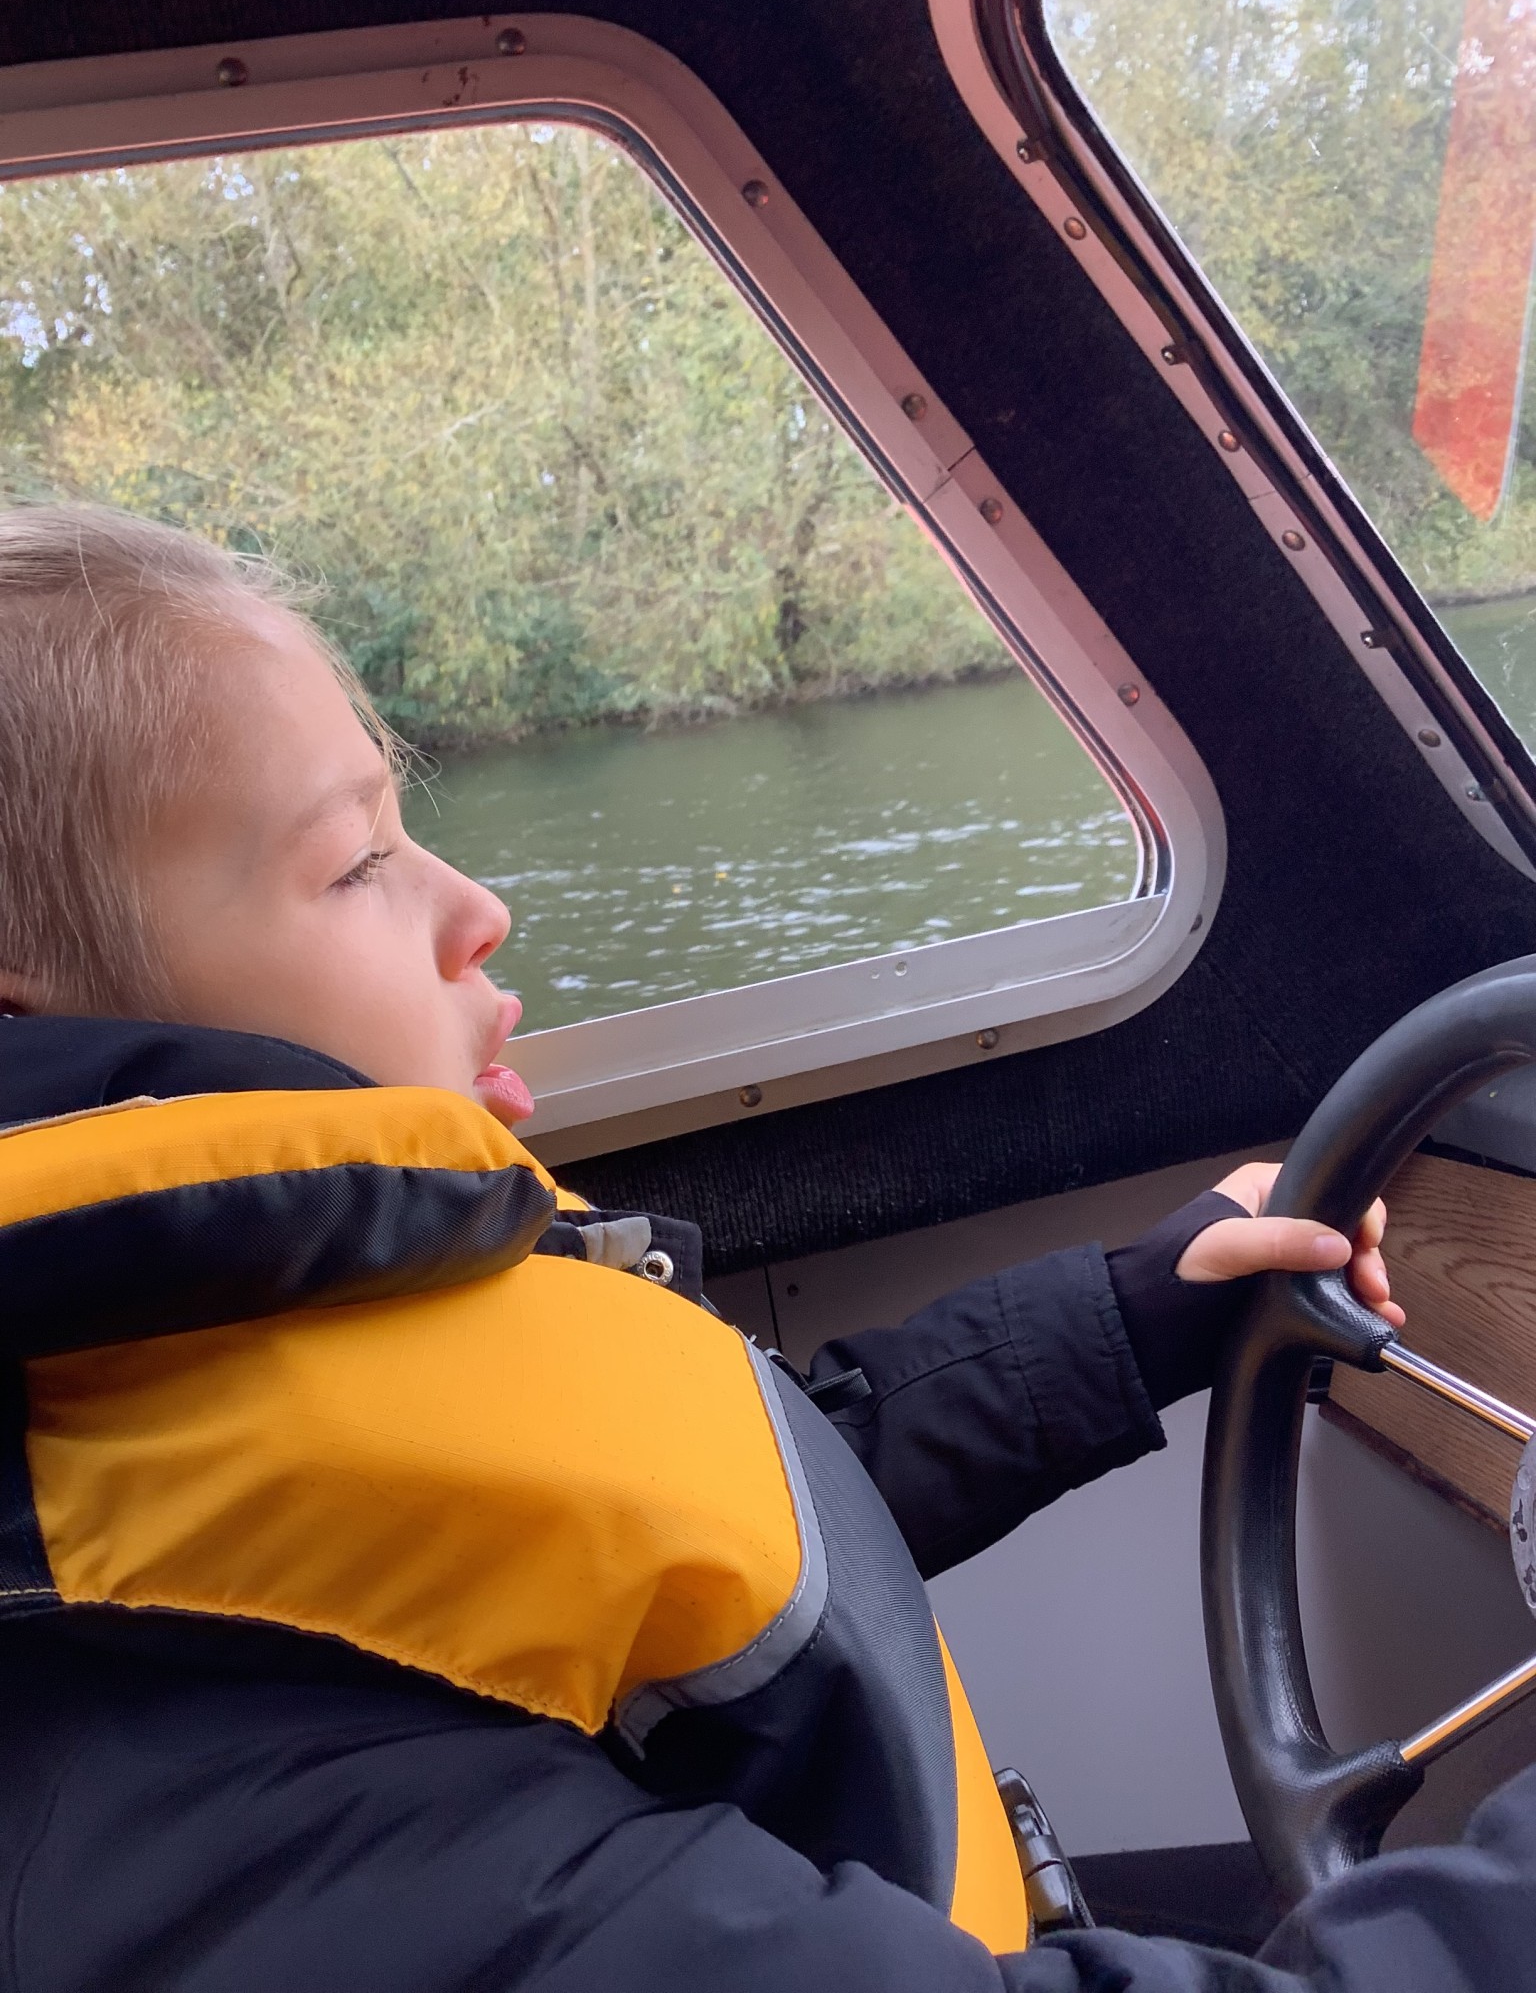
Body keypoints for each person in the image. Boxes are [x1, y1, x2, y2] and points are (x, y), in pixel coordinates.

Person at [0, 501, 1524, 1993]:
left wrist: (1128, 1316)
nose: (480, 908)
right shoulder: (193, 1744)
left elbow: (724, 1526)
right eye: (354, 863)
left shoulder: (180, 1414)